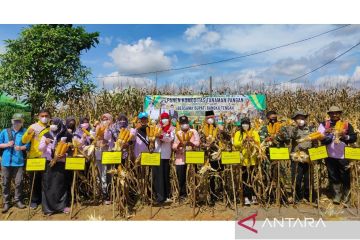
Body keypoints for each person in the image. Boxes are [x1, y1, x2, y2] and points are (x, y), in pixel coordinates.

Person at [318, 106, 357, 204]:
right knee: (333, 175)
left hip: (343, 155)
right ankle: (336, 196)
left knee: (345, 176)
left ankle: (346, 196)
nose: (335, 115)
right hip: (330, 155)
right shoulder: (324, 124)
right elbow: (319, 137)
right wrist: (327, 135)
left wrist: (344, 136)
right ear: (329, 114)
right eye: (332, 113)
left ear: (340, 114)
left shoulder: (346, 125)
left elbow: (353, 137)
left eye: (337, 113)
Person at [39, 118, 73, 215]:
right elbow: (40, 148)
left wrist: (64, 155)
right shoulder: (46, 135)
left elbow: (71, 150)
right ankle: (48, 209)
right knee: (48, 184)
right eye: (51, 123)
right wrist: (45, 143)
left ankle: (62, 207)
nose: (52, 125)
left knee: (61, 184)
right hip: (49, 162)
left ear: (59, 124)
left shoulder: (67, 135)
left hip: (61, 163)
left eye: (55, 123)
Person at [22, 109, 51, 209]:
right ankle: (34, 200)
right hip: (34, 157)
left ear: (49, 117)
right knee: (34, 180)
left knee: (46, 180)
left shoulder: (51, 128)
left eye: (46, 115)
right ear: (38, 117)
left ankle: (44, 201)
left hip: (46, 158)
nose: (44, 117)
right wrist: (28, 133)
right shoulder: (33, 127)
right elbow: (24, 140)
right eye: (42, 116)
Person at [0, 113, 29, 213]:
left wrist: (21, 148)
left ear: (22, 122)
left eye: (19, 121)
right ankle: (6, 202)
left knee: (19, 182)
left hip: (19, 162)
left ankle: (18, 200)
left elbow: (28, 145)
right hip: (6, 162)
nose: (17, 123)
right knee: (5, 182)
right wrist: (7, 144)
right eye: (15, 121)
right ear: (12, 121)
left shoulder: (25, 132)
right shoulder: (5, 131)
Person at [285, 111, 317, 203]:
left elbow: (315, 140)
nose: (301, 120)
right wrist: (295, 127)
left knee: (308, 178)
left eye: (302, 118)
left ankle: (308, 196)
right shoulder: (291, 129)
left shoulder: (311, 129)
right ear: (295, 120)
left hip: (308, 156)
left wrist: (316, 150)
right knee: (296, 178)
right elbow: (290, 137)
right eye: (298, 118)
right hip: (296, 156)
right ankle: (297, 196)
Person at [233, 117, 260, 206]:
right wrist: (243, 141)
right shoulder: (238, 133)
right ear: (241, 125)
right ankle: (245, 197)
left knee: (252, 178)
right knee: (244, 179)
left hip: (252, 159)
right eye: (243, 123)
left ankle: (253, 196)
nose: (245, 125)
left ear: (249, 124)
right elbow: (235, 144)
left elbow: (258, 143)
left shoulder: (254, 132)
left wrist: (253, 141)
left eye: (247, 123)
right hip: (243, 160)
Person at [173, 115, 200, 200]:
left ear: (188, 123)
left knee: (192, 176)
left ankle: (193, 193)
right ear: (180, 124)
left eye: (186, 123)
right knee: (181, 177)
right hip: (180, 159)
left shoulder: (193, 131)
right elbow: (173, 145)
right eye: (183, 123)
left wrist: (191, 144)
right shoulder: (178, 133)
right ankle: (183, 194)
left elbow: (198, 142)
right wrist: (179, 145)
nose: (185, 124)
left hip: (192, 157)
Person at [153, 112, 174, 204]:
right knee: (157, 176)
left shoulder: (172, 128)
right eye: (163, 118)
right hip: (156, 154)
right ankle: (159, 196)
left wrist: (161, 136)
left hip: (165, 155)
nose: (164, 120)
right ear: (160, 119)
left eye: (166, 118)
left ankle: (166, 196)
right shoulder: (156, 127)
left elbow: (169, 139)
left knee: (165, 175)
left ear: (169, 119)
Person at [95, 113, 113, 204]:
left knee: (108, 174)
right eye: (103, 119)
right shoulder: (98, 127)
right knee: (101, 175)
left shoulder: (112, 129)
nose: (105, 121)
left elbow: (107, 138)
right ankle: (103, 194)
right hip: (98, 154)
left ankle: (109, 193)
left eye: (107, 119)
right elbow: (95, 138)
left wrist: (106, 129)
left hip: (108, 154)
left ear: (110, 120)